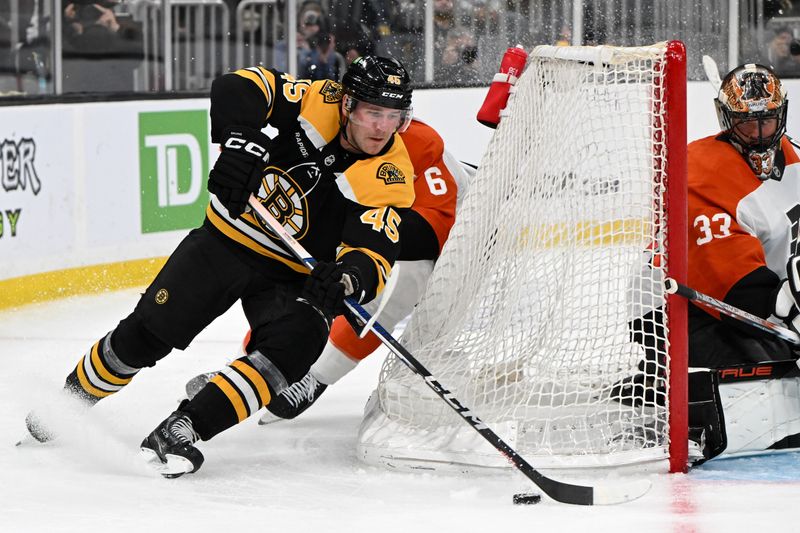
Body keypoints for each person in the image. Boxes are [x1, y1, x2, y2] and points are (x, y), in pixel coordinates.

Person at [26, 55, 416, 478]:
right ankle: (70, 400)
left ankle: (182, 429)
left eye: (393, 116)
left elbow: (374, 251)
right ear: (347, 104)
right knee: (145, 337)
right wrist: (240, 143)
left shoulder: (391, 175)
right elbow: (239, 85)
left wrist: (347, 278)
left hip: (292, 275)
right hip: (225, 242)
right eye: (374, 112)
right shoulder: (312, 100)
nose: (382, 127)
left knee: (295, 348)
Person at [184, 117, 472, 422]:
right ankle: (257, 365)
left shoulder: (418, 145)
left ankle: (315, 377)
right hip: (386, 224)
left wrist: (356, 253)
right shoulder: (328, 127)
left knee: (387, 291)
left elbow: (432, 233)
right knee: (298, 279)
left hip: (461, 241)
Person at [686, 63, 800, 462]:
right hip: (683, 308)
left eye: (767, 121)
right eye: (745, 124)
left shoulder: (795, 159)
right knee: (767, 384)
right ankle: (647, 394)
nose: (758, 135)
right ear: (726, 120)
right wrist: (785, 307)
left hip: (762, 302)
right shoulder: (701, 170)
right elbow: (727, 279)